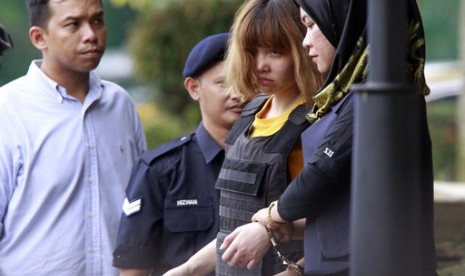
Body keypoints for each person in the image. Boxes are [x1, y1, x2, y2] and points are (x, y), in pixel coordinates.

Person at [246, 0, 437, 275]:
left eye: (311, 26)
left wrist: (272, 216)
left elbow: (324, 169)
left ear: (344, 21)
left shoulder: (376, 94)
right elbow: (353, 206)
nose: (305, 43)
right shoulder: (349, 93)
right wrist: (293, 230)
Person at [163, 0, 322, 275]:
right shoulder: (250, 112)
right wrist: (188, 269)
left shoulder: (316, 121)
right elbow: (234, 227)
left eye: (275, 52)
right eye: (251, 51)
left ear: (301, 48)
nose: (260, 65)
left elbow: (334, 225)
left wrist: (296, 270)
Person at [0, 0, 146, 275]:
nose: (91, 34)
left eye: (97, 21)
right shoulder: (7, 111)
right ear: (39, 37)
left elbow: (141, 207)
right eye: (73, 24)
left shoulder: (121, 104)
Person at [111, 32, 245, 276]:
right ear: (194, 88)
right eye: (223, 83)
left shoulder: (276, 160)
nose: (237, 94)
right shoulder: (161, 171)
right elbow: (134, 268)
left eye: (244, 81)